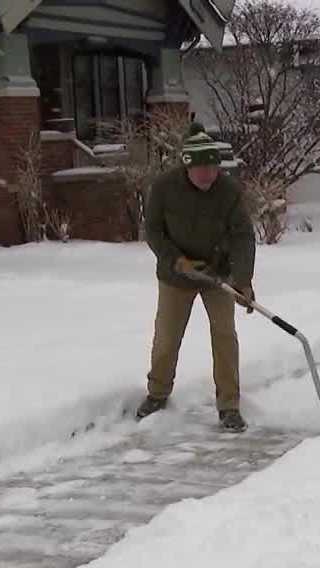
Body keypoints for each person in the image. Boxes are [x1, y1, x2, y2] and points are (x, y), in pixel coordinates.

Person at [136, 123, 256, 432]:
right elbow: (154, 231)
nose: (208, 175)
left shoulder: (228, 191)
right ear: (187, 166)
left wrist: (243, 280)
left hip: (217, 274)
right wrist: (177, 261)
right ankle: (157, 393)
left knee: (225, 336)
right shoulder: (164, 187)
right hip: (176, 275)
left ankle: (229, 406)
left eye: (213, 168)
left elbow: (243, 236)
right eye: (201, 169)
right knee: (167, 337)